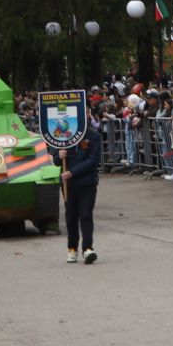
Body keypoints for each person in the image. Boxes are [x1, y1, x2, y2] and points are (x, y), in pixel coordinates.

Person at [57, 111, 101, 265]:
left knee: (85, 214)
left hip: (87, 182)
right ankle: (72, 248)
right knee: (71, 216)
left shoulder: (93, 136)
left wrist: (73, 172)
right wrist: (59, 155)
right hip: (68, 185)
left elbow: (93, 160)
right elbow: (55, 159)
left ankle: (88, 248)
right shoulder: (62, 135)